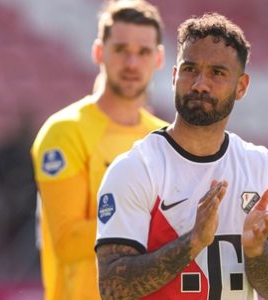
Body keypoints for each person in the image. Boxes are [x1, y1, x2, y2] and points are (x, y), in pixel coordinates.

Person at [96, 13, 268, 300]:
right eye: (190, 69)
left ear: (242, 86)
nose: (200, 84)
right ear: (174, 76)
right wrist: (193, 242)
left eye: (217, 73)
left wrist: (256, 250)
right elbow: (112, 288)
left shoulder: (260, 165)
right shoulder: (136, 168)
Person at [30, 1, 167, 299]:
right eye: (120, 49)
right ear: (98, 52)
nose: (132, 63)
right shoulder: (65, 130)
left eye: (143, 52)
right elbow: (68, 241)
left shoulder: (163, 138)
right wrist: (157, 224)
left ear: (158, 58)